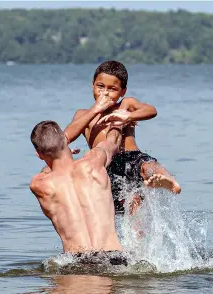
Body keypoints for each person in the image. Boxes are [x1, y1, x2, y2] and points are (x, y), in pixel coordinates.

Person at [64, 60, 181, 214]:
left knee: (146, 165)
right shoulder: (83, 115)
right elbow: (66, 136)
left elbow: (151, 110)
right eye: (100, 86)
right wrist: (95, 110)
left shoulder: (125, 105)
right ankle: (135, 237)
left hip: (130, 157)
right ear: (92, 84)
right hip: (107, 168)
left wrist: (128, 117)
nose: (105, 93)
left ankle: (167, 179)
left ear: (122, 92)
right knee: (130, 208)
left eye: (112, 89)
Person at [29, 120, 127, 265]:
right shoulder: (94, 161)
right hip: (114, 258)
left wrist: (56, 158)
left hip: (75, 262)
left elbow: (50, 171)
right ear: (65, 142)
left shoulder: (39, 184)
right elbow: (113, 141)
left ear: (39, 155)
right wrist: (118, 122)